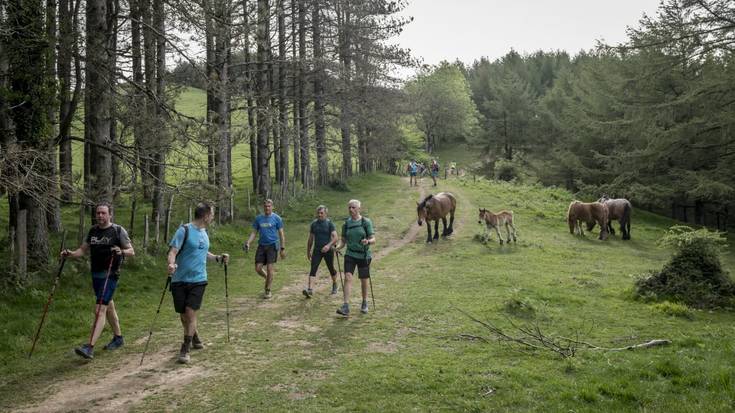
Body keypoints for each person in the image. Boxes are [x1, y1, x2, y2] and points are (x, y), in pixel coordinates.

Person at [61, 202, 135, 360]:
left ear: (110, 215)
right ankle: (118, 338)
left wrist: (120, 251)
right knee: (108, 308)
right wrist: (71, 254)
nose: (100, 216)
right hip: (96, 275)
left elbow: (131, 251)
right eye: (98, 213)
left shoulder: (117, 230)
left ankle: (89, 347)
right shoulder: (93, 231)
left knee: (99, 310)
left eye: (103, 213)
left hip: (111, 274)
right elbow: (83, 249)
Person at [167, 202, 229, 364]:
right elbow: (173, 251)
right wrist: (171, 264)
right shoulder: (184, 230)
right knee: (183, 315)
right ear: (206, 215)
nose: (213, 217)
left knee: (190, 312)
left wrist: (217, 258)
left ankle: (185, 348)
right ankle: (194, 335)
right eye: (212, 214)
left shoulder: (204, 232)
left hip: (199, 279)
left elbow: (202, 252)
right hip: (179, 279)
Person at [335, 199, 376, 316]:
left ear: (359, 209)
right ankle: (346, 306)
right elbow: (343, 241)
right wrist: (337, 247)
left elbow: (373, 239)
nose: (351, 210)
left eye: (353, 207)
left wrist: (367, 241)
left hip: (363, 255)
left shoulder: (365, 222)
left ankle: (364, 302)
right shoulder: (346, 224)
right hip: (350, 254)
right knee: (348, 277)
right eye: (349, 207)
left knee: (364, 280)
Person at [245, 199, 286, 299]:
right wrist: (248, 243)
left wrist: (282, 248)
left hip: (272, 246)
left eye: (269, 206)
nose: (267, 208)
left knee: (269, 268)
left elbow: (281, 234)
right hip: (261, 246)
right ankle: (268, 277)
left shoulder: (277, 218)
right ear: (263, 207)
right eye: (265, 206)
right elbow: (254, 232)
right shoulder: (259, 218)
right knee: (258, 268)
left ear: (272, 207)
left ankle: (267, 290)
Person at [304, 205, 339, 298]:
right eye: (318, 213)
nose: (319, 215)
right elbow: (310, 239)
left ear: (326, 214)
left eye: (321, 213)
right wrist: (308, 251)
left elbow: (336, 237)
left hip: (328, 250)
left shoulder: (329, 224)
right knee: (313, 269)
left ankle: (335, 284)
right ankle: (310, 290)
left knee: (331, 268)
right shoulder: (314, 224)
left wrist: (328, 246)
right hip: (317, 250)